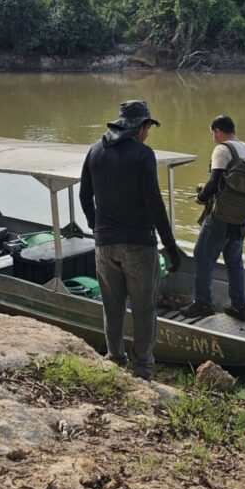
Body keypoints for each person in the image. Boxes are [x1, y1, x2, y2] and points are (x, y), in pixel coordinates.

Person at [79, 100, 182, 382]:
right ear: (140, 128)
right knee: (143, 309)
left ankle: (114, 357)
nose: (148, 134)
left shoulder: (95, 151)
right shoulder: (143, 154)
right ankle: (142, 368)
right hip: (138, 245)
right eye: (147, 128)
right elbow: (154, 202)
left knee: (112, 306)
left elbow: (84, 196)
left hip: (104, 245)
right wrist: (170, 245)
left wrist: (97, 227)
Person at [180, 115, 245, 322]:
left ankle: (202, 303)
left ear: (217, 131)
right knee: (234, 259)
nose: (213, 138)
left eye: (213, 133)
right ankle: (239, 306)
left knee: (202, 255)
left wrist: (201, 197)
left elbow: (214, 182)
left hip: (222, 215)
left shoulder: (222, 149)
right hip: (243, 216)